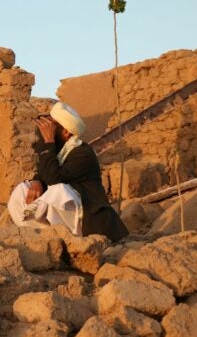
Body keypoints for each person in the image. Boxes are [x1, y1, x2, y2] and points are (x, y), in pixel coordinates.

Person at [7, 101, 129, 242]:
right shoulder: (59, 149)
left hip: (88, 219)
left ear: (66, 132)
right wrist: (36, 180)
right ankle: (46, 236)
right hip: (66, 215)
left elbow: (54, 178)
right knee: (22, 190)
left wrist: (48, 142)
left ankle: (69, 239)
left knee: (58, 191)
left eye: (52, 127)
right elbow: (46, 169)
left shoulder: (83, 153)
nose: (47, 130)